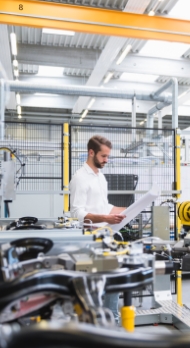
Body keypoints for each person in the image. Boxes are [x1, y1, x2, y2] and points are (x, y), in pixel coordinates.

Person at [69, 135, 126, 324]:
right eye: (103, 156)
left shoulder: (100, 177)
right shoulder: (80, 178)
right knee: (92, 287)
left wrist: (126, 211)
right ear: (91, 152)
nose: (106, 160)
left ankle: (113, 321)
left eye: (108, 157)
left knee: (113, 280)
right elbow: (77, 212)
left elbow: (104, 206)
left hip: (106, 237)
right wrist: (105, 218)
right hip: (89, 241)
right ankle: (92, 326)